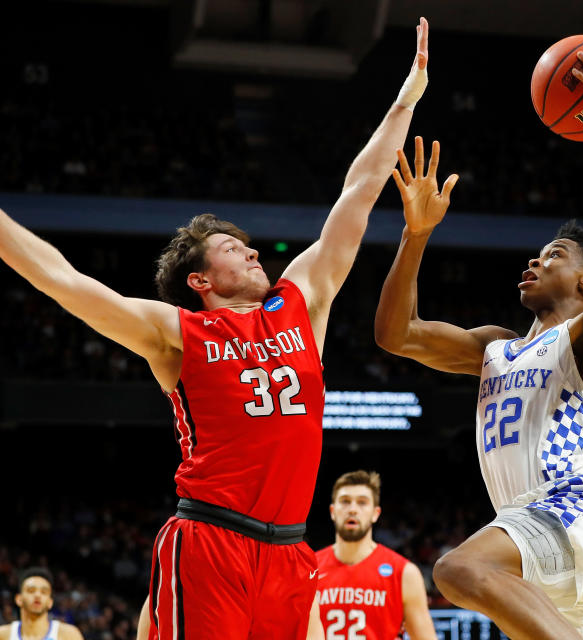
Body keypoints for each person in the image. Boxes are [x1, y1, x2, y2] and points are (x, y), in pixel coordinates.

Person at [0, 18, 433, 640]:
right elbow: (63, 280)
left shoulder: (299, 303)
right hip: (210, 541)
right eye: (234, 249)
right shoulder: (175, 334)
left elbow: (358, 194)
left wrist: (407, 98)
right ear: (201, 280)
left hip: (289, 552)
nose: (254, 253)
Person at [374, 44, 583, 640]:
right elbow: (396, 335)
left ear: (579, 279)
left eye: (553, 255)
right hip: (532, 542)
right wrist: (416, 235)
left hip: (569, 512)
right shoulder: (494, 347)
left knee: (456, 568)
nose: (534, 259)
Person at [307, 470, 436, 640]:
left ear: (375, 513)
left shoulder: (404, 573)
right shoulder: (308, 570)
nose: (352, 509)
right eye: (345, 502)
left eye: (362, 502)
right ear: (332, 511)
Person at [0, 567, 83, 640]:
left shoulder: (69, 635)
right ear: (19, 599)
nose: (37, 595)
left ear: (50, 602)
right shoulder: (3, 635)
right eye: (31, 590)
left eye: (44, 592)